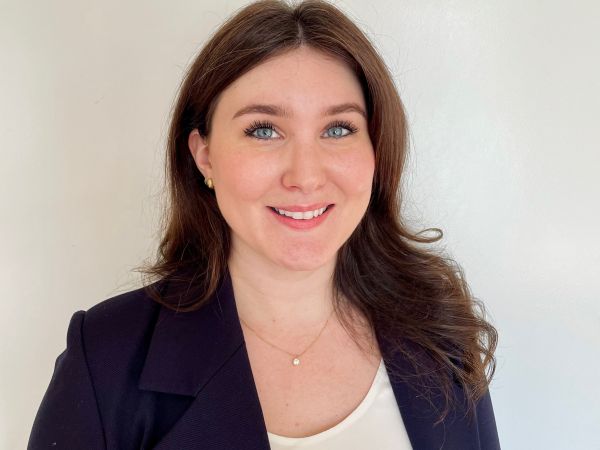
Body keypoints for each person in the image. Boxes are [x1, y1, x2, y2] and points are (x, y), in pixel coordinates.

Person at [28, 1, 500, 449]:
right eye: (263, 130)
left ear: (377, 150)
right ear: (204, 155)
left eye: (338, 129)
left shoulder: (439, 336)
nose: (306, 176)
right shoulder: (106, 359)